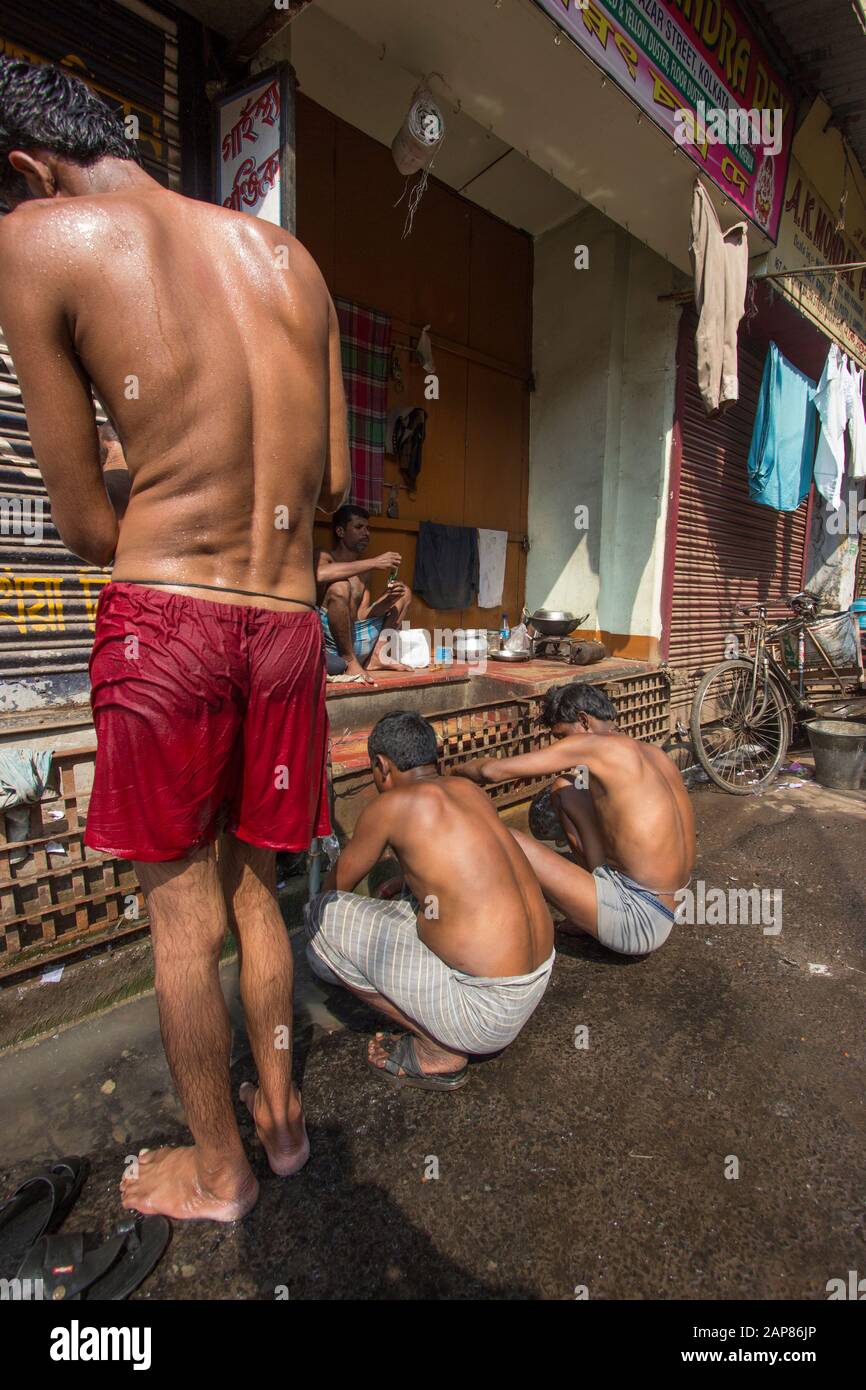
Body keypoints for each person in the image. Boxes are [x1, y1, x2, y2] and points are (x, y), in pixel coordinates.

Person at [0, 56, 352, 1220]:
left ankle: (219, 1173)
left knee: (181, 917)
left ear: (25, 169)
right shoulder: (291, 260)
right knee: (258, 895)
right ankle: (285, 1131)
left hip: (171, 621)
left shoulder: (44, 239)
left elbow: (90, 526)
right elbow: (337, 480)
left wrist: (154, 472)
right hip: (289, 625)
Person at [305, 711, 554, 1090]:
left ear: (381, 766)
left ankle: (439, 1048)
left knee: (319, 916)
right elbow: (467, 865)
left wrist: (324, 947)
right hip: (535, 983)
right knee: (408, 898)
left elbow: (335, 888)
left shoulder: (390, 805)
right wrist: (410, 881)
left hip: (483, 1015)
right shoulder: (467, 791)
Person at [450, 681, 696, 957]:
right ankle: (591, 906)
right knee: (566, 789)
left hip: (637, 920)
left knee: (505, 838)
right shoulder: (653, 752)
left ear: (583, 721)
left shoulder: (593, 746)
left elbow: (492, 772)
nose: (561, 745)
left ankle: (487, 925)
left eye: (562, 736)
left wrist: (448, 771)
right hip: (674, 902)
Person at [316, 503, 413, 682]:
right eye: (359, 527)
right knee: (340, 587)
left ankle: (377, 656)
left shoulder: (365, 572)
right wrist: (374, 562)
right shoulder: (324, 555)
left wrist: (387, 601)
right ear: (340, 531)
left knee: (404, 592)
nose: (366, 533)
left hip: (356, 635)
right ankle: (349, 660)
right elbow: (320, 574)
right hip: (330, 644)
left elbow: (361, 615)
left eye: (368, 528)